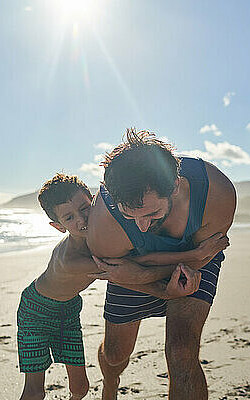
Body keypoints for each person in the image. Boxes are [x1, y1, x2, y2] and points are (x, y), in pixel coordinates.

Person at [17, 173, 212, 400]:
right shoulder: (71, 260)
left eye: (84, 208)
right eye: (69, 217)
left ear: (93, 201)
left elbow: (131, 270)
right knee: (35, 391)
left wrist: (183, 266)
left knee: (80, 388)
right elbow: (128, 270)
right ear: (58, 226)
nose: (81, 219)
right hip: (35, 310)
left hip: (68, 308)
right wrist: (194, 256)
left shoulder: (101, 238)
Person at [86, 129, 237, 400]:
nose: (142, 225)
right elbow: (115, 272)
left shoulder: (217, 193)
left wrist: (143, 268)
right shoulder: (103, 224)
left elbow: (204, 256)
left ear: (175, 187)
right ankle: (110, 385)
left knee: (182, 350)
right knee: (115, 355)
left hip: (197, 261)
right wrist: (162, 287)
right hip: (137, 266)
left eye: (153, 213)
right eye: (128, 215)